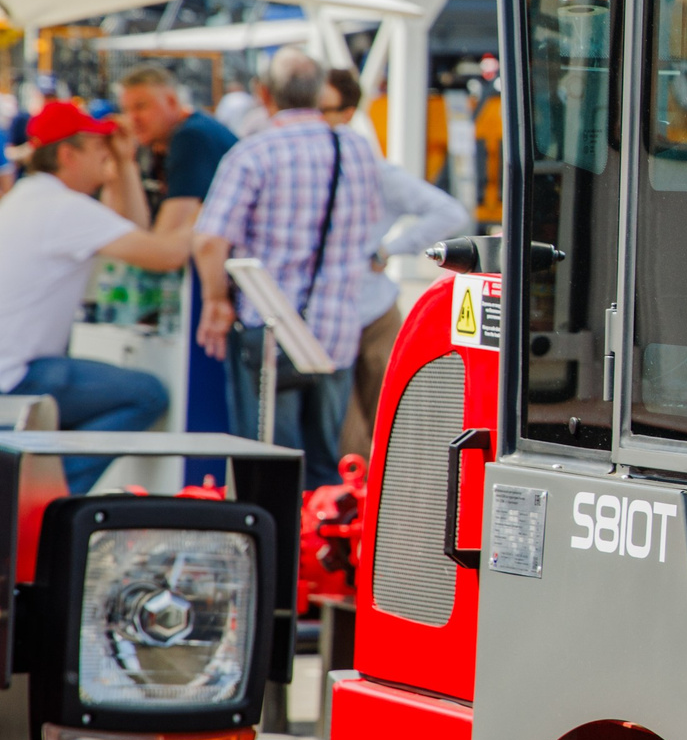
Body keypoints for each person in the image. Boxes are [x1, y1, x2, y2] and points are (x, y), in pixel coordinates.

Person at [194, 49, 386, 488]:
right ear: (320, 91)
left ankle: (273, 552)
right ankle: (315, 552)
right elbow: (367, 227)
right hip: (336, 328)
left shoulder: (253, 153)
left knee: (267, 468)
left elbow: (208, 238)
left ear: (264, 94)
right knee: (324, 472)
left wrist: (216, 298)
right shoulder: (356, 150)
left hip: (270, 329)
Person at [0, 103, 198, 494]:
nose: (105, 156)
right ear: (67, 155)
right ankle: (47, 495)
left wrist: (125, 164)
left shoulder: (29, 198)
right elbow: (164, 255)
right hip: (19, 375)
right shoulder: (64, 210)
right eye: (97, 149)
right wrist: (208, 213)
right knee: (147, 394)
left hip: (15, 368)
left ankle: (36, 490)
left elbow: (133, 230)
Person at [321, 67, 473, 457]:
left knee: (397, 431)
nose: (316, 119)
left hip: (370, 313)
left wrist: (388, 250)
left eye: (326, 109)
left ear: (349, 111)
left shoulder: (373, 170)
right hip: (324, 318)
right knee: (347, 442)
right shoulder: (304, 164)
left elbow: (447, 212)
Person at [116, 66, 239, 443]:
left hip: (214, 300)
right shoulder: (165, 143)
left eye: (143, 106)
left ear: (172, 102)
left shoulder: (192, 137)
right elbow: (140, 232)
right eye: (127, 108)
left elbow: (164, 244)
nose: (133, 118)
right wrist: (122, 163)